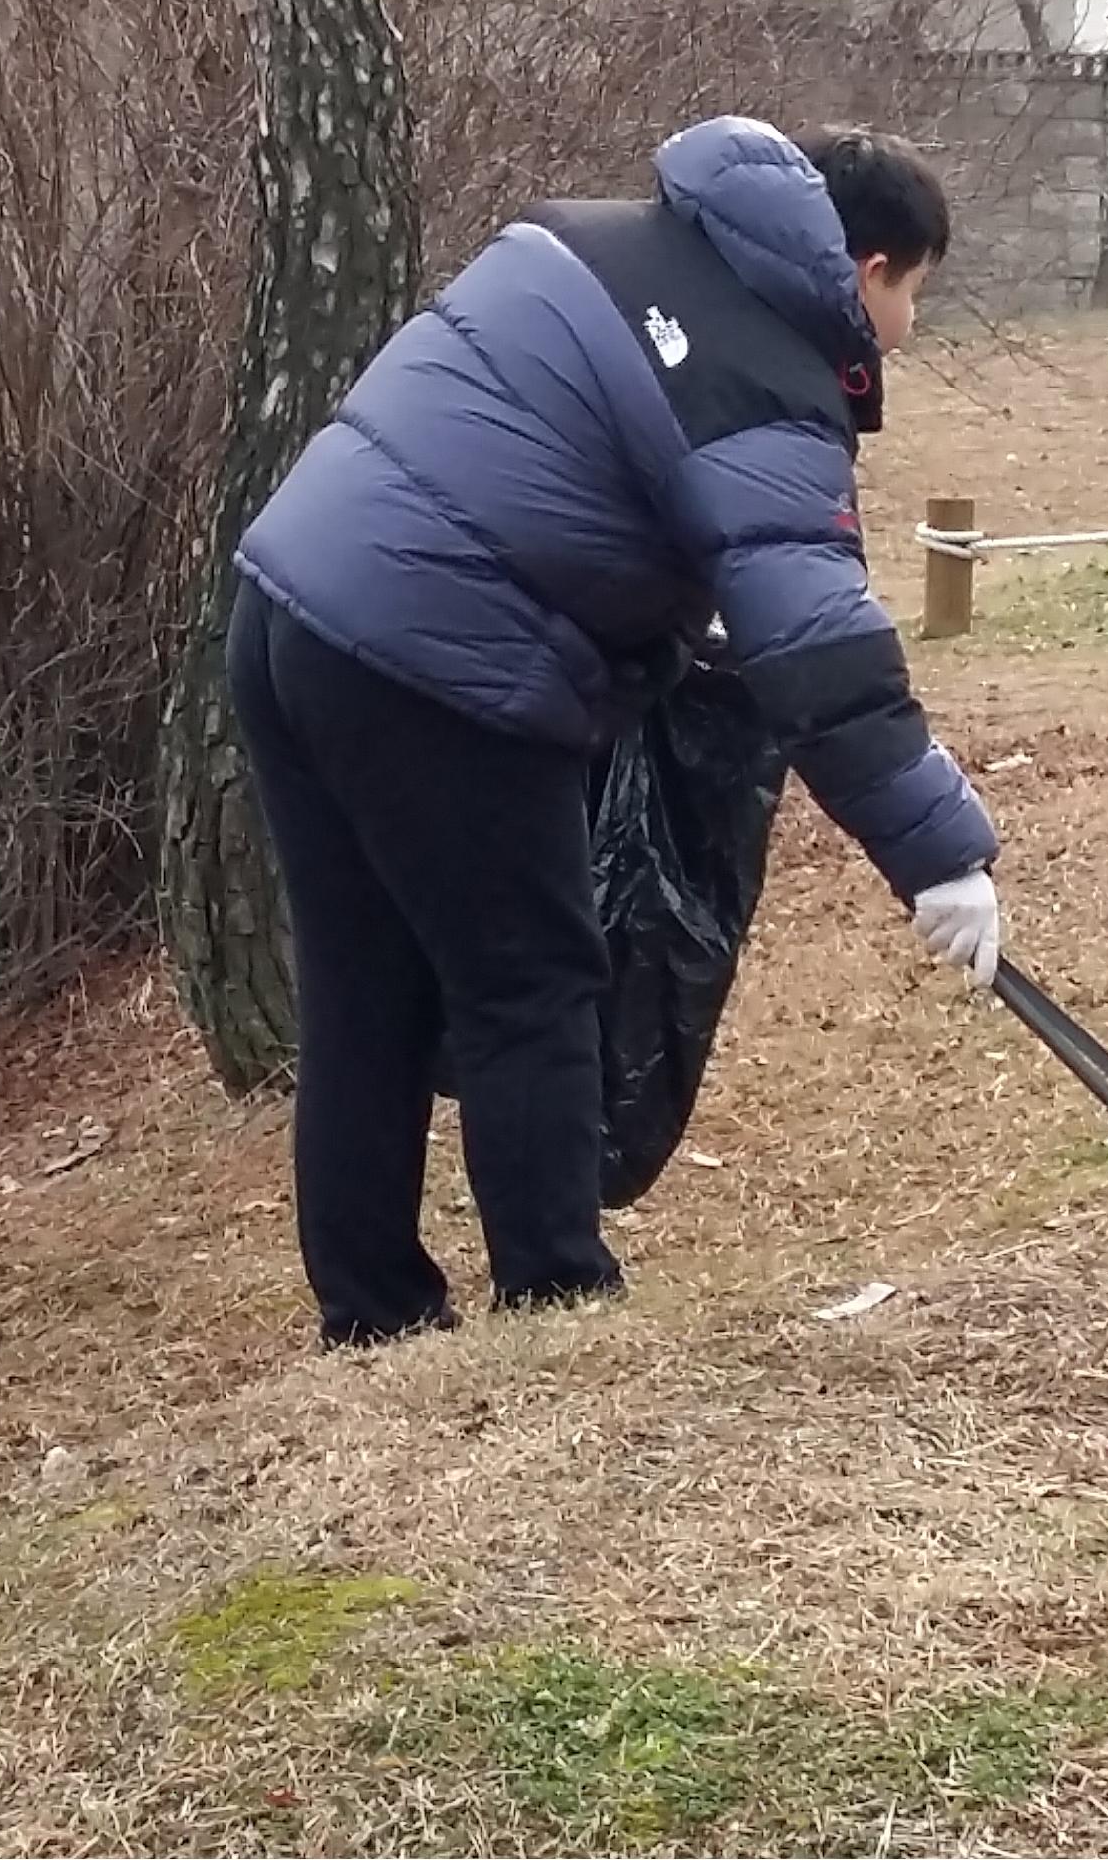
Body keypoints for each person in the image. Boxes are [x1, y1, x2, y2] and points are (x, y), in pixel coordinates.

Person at [231, 117, 1004, 1348]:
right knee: (531, 979)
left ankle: (372, 1313)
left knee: (359, 986)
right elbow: (815, 640)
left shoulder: (583, 234)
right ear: (869, 273)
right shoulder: (759, 374)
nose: (907, 324)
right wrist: (939, 854)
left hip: (286, 610)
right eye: (915, 293)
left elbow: (550, 455)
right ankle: (554, 1296)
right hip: (440, 659)